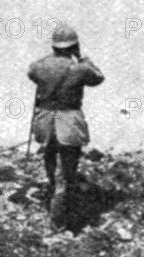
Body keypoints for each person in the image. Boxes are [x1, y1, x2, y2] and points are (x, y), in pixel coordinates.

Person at [28, 24, 104, 229]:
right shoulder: (79, 68)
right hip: (68, 123)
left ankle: (53, 204)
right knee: (67, 174)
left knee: (51, 165)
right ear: (74, 46)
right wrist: (82, 58)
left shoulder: (40, 66)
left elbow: (32, 72)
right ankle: (58, 222)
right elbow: (98, 78)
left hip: (45, 123)